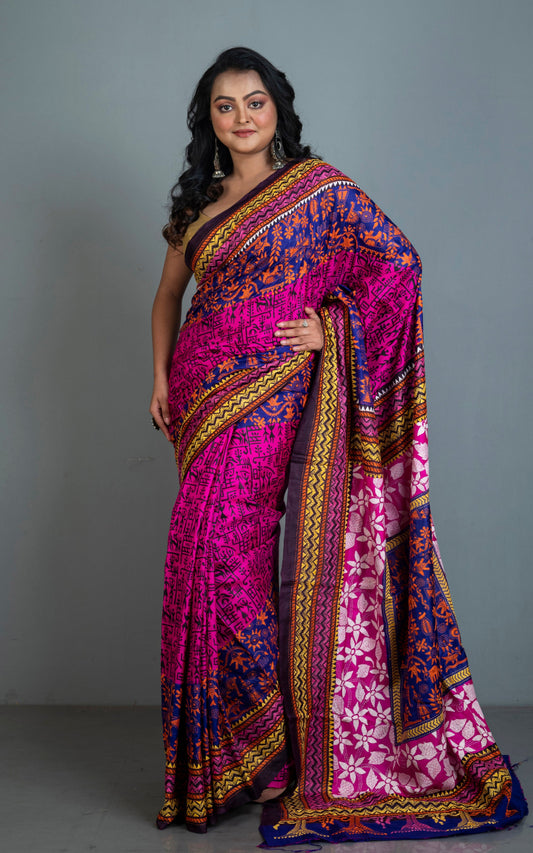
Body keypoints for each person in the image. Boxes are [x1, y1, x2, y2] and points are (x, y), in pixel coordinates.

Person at [149, 47, 527, 844]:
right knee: (196, 558)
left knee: (227, 554)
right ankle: (229, 759)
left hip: (269, 396)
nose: (242, 117)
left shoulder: (319, 190)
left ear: (277, 110)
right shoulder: (198, 203)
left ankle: (270, 750)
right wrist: (158, 375)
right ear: (208, 120)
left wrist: (332, 328)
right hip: (198, 396)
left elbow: (398, 266)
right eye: (225, 105)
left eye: (255, 101)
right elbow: (167, 295)